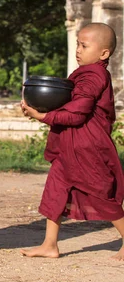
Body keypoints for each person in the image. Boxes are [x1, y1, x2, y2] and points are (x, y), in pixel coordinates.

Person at [21, 22, 124, 260]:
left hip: (87, 148)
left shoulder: (94, 75)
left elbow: (78, 111)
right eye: (77, 44)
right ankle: (49, 244)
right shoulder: (83, 73)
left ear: (103, 54)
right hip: (70, 145)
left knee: (100, 194)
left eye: (84, 45)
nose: (78, 49)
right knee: (55, 192)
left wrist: (44, 116)